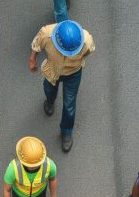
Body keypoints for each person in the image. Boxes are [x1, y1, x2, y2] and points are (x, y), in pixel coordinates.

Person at [29, 19, 94, 151]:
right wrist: (32, 60)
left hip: (73, 73)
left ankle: (66, 131)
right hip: (52, 69)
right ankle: (50, 101)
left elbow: (88, 52)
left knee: (69, 104)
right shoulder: (46, 33)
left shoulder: (87, 40)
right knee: (48, 89)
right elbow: (36, 45)